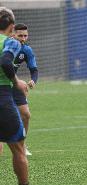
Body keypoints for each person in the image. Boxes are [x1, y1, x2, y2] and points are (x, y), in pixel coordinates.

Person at [0, 6, 30, 185]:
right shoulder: (11, 42)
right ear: (12, 26)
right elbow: (5, 61)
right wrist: (17, 81)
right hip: (3, 96)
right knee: (18, 149)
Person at [13, 23, 38, 156]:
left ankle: (21, 144)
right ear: (13, 34)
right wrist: (17, 81)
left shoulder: (26, 50)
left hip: (13, 84)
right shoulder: (4, 47)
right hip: (4, 84)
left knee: (26, 114)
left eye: (25, 36)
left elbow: (34, 70)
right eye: (20, 35)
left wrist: (33, 80)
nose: (23, 38)